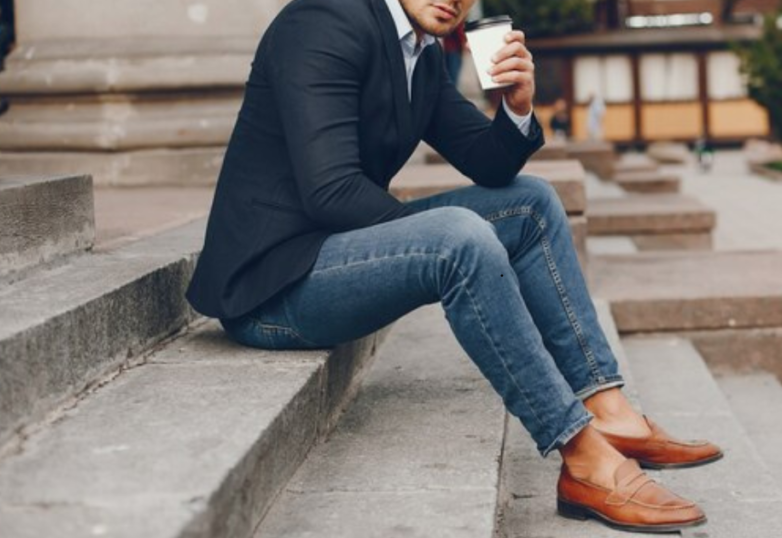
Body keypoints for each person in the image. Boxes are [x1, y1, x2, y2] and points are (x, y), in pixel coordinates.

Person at [186, 0, 722, 533]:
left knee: (530, 203)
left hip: (335, 251)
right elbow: (330, 190)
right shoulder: (323, 20)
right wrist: (430, 243)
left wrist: (515, 105)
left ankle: (610, 411)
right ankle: (582, 455)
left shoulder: (421, 50)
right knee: (456, 237)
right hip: (272, 285)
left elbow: (488, 163)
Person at [441, 20, 465, 86]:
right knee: (453, 75)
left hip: (447, 49)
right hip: (454, 49)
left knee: (448, 75)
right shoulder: (457, 19)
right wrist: (464, 42)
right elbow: (459, 33)